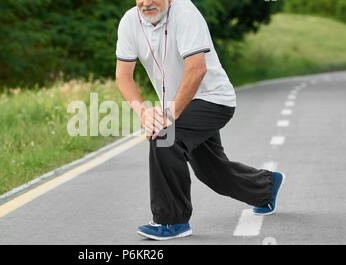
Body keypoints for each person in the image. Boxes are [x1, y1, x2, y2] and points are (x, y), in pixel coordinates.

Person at [115, 0, 286, 241]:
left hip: (213, 99)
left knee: (164, 137)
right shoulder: (129, 21)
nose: (147, 2)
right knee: (211, 172)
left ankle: (172, 221)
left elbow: (196, 69)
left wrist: (168, 117)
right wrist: (143, 111)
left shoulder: (185, 12)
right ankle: (265, 187)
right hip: (180, 105)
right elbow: (123, 77)